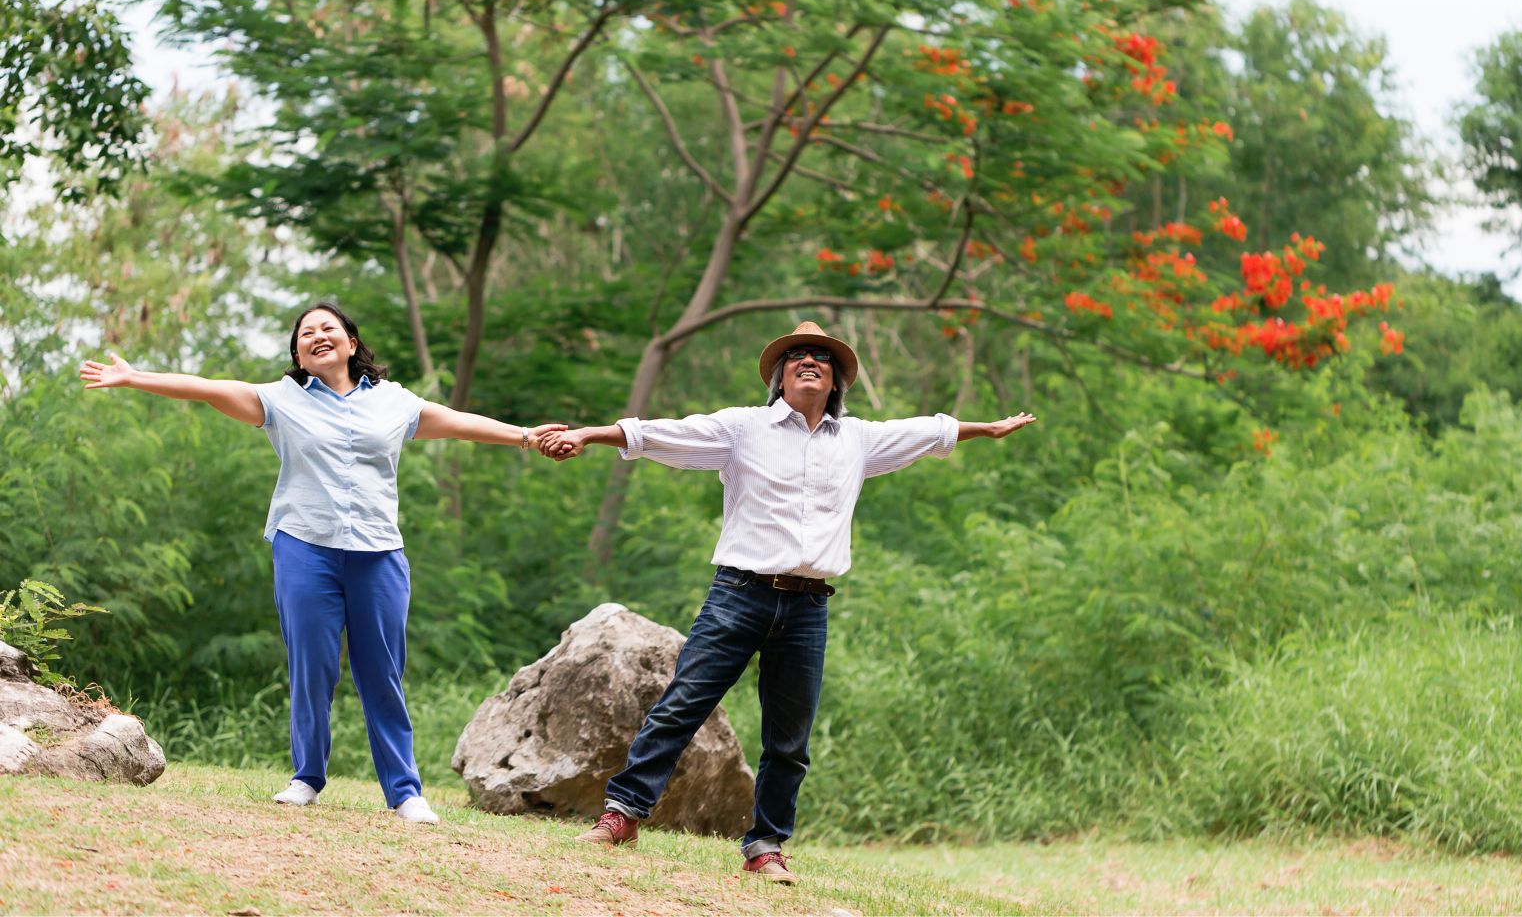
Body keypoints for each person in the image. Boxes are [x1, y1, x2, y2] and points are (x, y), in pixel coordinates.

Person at [539, 320, 1035, 884]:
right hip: (738, 595)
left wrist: (986, 429)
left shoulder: (858, 440)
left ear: (835, 381)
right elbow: (661, 432)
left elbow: (928, 430)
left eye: (821, 358)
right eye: (797, 355)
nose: (808, 361)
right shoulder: (741, 428)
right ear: (779, 376)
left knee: (789, 738)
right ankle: (622, 815)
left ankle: (766, 846)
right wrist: (587, 435)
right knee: (681, 707)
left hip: (808, 608)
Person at [79, 301, 565, 825]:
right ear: (298, 353)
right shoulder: (280, 400)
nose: (317, 336)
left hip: (378, 552)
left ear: (351, 343)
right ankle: (307, 777)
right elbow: (208, 386)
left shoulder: (394, 403)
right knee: (312, 668)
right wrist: (133, 379)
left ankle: (404, 791)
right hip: (305, 547)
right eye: (305, 333)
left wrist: (524, 434)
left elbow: (456, 422)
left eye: (328, 328)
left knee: (382, 673)